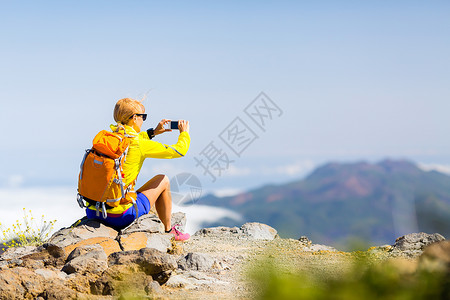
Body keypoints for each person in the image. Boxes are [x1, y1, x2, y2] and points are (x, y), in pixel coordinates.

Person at [85, 98, 191, 241]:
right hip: (120, 216)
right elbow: (179, 151)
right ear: (134, 118)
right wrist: (184, 133)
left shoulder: (108, 137)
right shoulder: (139, 144)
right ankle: (169, 231)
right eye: (143, 117)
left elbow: (132, 137)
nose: (143, 120)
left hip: (93, 211)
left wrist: (153, 132)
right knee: (163, 180)